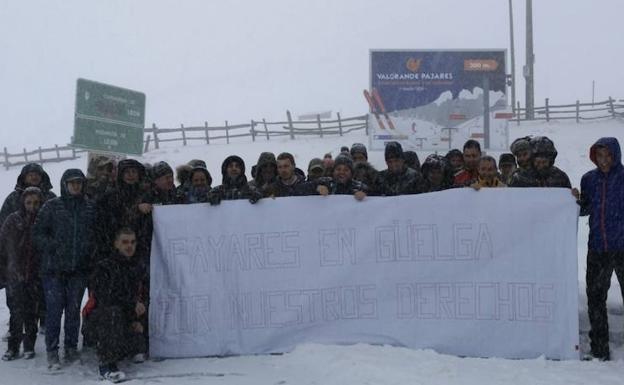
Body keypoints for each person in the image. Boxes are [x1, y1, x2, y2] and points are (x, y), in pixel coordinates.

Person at [33, 169, 96, 370]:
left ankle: (70, 347)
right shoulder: (52, 206)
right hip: (53, 271)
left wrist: (89, 251)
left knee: (72, 311)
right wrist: (54, 246)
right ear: (64, 184)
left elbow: (97, 235)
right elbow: (37, 234)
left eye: (79, 182)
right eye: (72, 183)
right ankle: (52, 350)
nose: (76, 186)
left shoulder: (89, 207)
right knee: (53, 311)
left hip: (78, 270)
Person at [574, 137, 624, 361]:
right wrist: (575, 200)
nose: (603, 161)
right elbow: (585, 209)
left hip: (622, 248)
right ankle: (599, 348)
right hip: (597, 248)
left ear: (615, 155)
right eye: (599, 156)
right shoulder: (589, 179)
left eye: (608, 156)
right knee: (595, 298)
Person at [89, 228, 147, 382]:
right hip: (100, 321)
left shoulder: (138, 267)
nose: (130, 246)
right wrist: (131, 307)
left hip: (125, 319)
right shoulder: (105, 267)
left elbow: (143, 296)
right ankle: (107, 365)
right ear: (116, 244)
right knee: (112, 312)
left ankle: (133, 347)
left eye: (133, 242)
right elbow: (105, 298)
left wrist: (138, 319)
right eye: (125, 242)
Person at [0, 187, 43, 360]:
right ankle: (13, 345)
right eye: (29, 203)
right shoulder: (13, 220)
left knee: (32, 312)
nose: (32, 206)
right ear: (22, 203)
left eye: (36, 203)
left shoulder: (42, 220)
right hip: (14, 273)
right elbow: (3, 246)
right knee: (15, 312)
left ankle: (29, 344)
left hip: (35, 274)